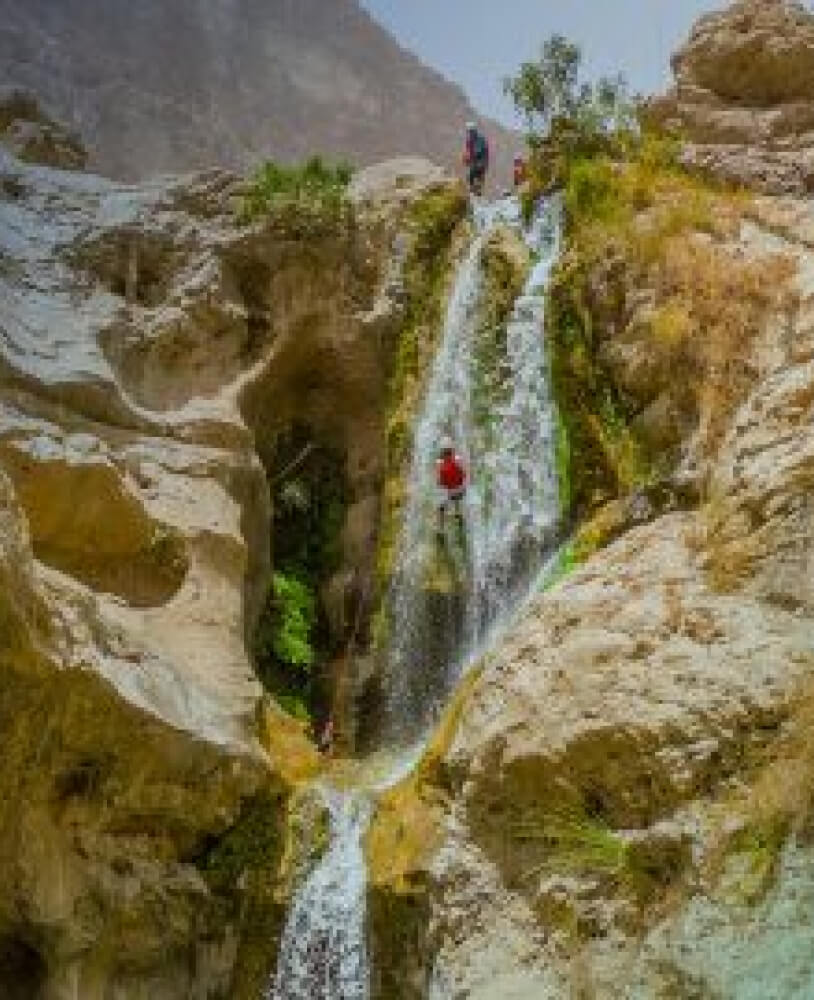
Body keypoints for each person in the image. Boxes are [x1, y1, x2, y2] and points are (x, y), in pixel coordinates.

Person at [437, 443, 466, 536]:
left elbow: (441, 481)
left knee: (441, 508)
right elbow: (463, 474)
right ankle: (458, 512)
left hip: (449, 489)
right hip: (458, 488)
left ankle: (441, 528)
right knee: (456, 498)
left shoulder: (441, 465)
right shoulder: (457, 460)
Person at [463, 122, 489, 196]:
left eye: (470, 131)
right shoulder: (469, 140)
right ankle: (473, 191)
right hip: (474, 163)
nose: (469, 133)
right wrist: (466, 157)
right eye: (468, 132)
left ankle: (477, 191)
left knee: (476, 177)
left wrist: (469, 157)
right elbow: (468, 151)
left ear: (474, 131)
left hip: (480, 162)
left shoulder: (480, 139)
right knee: (471, 177)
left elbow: (477, 151)